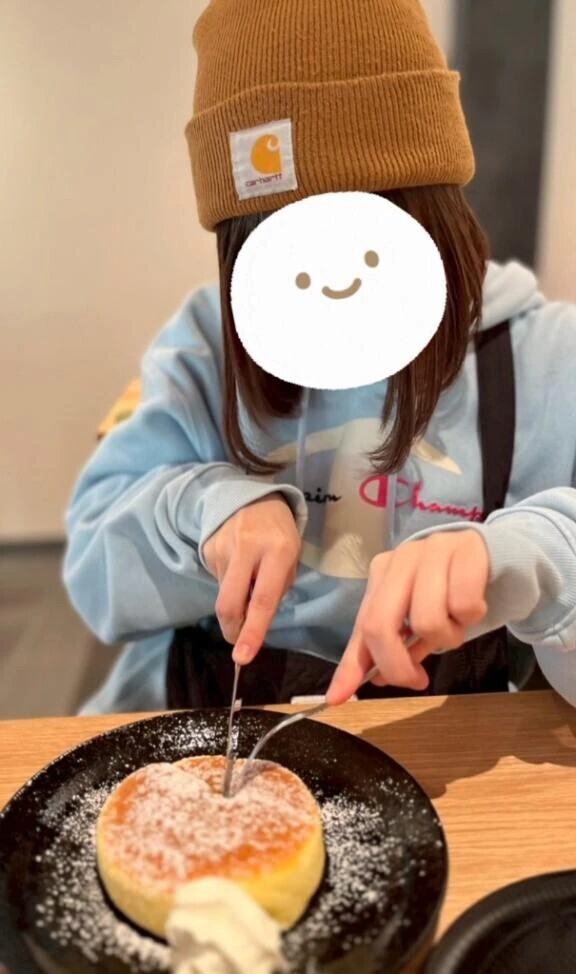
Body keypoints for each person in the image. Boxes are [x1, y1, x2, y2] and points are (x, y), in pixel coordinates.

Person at [64, 0, 576, 715]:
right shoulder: (208, 345)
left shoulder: (541, 358)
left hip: (451, 751)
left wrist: (529, 557)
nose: (334, 288)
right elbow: (97, 576)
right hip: (216, 723)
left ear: (432, 209)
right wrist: (203, 510)